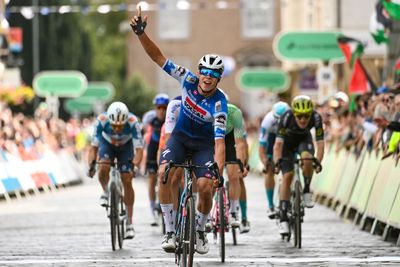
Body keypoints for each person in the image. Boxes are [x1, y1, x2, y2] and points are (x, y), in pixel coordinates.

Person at [130, 6, 228, 255]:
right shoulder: (188, 79)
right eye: (204, 71)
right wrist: (141, 34)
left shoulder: (220, 103)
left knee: (206, 187)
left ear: (218, 79)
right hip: (180, 139)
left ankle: (200, 230)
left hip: (204, 146)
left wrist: (218, 169)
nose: (207, 76)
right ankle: (171, 231)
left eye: (213, 74)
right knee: (165, 173)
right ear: (199, 71)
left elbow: (219, 143)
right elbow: (158, 58)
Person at [88, 102, 144, 239]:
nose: (117, 129)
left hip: (126, 147)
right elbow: (93, 149)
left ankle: (130, 223)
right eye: (114, 126)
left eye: (120, 126)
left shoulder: (132, 122)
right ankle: (106, 192)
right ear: (109, 120)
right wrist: (91, 165)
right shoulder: (101, 120)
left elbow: (139, 151)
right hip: (107, 144)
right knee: (103, 167)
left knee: (127, 179)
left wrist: (134, 165)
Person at [273, 95, 324, 235]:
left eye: (306, 116)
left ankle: (307, 190)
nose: (303, 120)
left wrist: (318, 161)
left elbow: (320, 143)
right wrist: (277, 162)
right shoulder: (286, 117)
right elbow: (278, 144)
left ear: (311, 114)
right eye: (300, 116)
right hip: (286, 144)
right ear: (294, 113)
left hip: (304, 140)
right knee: (287, 176)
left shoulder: (317, 118)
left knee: (308, 159)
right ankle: (283, 218)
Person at [258, 101, 290, 220]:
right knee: (269, 170)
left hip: (287, 139)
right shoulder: (268, 121)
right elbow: (261, 146)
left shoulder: (292, 118)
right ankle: (271, 205)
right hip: (272, 139)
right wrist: (266, 161)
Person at [142, 93, 169, 226]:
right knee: (152, 179)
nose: (162, 111)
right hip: (153, 149)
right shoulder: (150, 119)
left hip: (165, 148)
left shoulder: (171, 118)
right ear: (155, 108)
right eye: (159, 108)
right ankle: (153, 210)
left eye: (164, 108)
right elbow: (145, 137)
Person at [223, 102, 250, 230]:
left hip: (230, 140)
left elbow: (242, 144)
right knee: (209, 177)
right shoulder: (207, 110)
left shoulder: (234, 113)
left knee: (235, 175)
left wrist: (243, 164)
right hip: (211, 139)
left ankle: (236, 213)